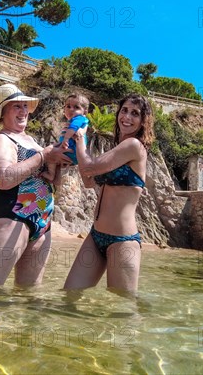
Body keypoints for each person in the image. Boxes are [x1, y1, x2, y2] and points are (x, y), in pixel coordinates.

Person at [0, 83, 71, 287]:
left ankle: (15, 321)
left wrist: (59, 166)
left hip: (42, 220)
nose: (23, 111)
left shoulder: (32, 141)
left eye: (25, 106)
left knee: (29, 294)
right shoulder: (3, 139)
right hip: (13, 214)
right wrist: (44, 155)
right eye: (16, 106)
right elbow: (4, 179)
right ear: (3, 112)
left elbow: (53, 185)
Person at [64, 94, 154, 294]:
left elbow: (88, 167)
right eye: (124, 110)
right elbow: (88, 181)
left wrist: (79, 139)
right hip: (96, 237)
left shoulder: (134, 147)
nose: (127, 117)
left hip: (122, 241)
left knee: (123, 311)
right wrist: (81, 144)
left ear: (142, 122)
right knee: (69, 295)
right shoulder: (117, 149)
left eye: (135, 114)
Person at [42, 93, 90, 182]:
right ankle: (54, 176)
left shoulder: (78, 119)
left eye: (76, 107)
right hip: (73, 153)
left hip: (71, 151)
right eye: (68, 106)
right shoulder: (80, 120)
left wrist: (66, 138)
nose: (71, 109)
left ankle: (50, 174)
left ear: (85, 112)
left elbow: (73, 128)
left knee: (49, 154)